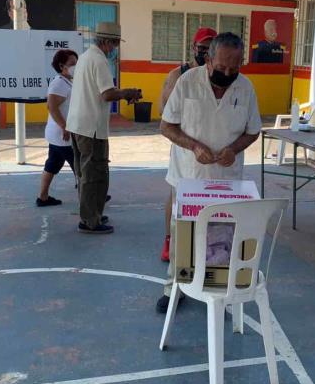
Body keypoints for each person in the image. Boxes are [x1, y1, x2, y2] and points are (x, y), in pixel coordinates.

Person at [157, 32, 262, 312]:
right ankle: (174, 289)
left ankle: (218, 292)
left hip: (227, 180)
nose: (228, 74)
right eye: (222, 67)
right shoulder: (187, 83)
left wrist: (234, 148)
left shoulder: (245, 88)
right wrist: (193, 146)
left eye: (235, 68)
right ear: (208, 59)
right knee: (184, 235)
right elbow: (166, 126)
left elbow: (253, 131)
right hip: (189, 177)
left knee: (223, 238)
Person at [66, 22, 143, 234]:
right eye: (115, 44)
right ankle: (91, 220)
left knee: (84, 173)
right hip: (91, 128)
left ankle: (92, 213)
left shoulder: (85, 57)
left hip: (78, 124)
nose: (115, 49)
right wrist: (128, 92)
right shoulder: (99, 61)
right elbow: (107, 94)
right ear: (107, 42)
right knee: (95, 174)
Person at [158, 26, 217, 262]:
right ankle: (170, 239)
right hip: (184, 147)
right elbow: (165, 113)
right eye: (202, 47)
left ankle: (206, 244)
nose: (205, 53)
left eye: (210, 48)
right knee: (177, 194)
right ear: (194, 48)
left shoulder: (220, 76)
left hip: (211, 152)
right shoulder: (178, 75)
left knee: (209, 198)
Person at [36, 49, 78, 207]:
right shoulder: (59, 83)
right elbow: (51, 106)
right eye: (72, 64)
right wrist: (65, 126)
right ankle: (90, 202)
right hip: (63, 134)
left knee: (53, 163)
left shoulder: (66, 82)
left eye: (76, 63)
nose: (75, 66)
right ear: (61, 66)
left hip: (59, 134)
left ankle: (43, 197)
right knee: (81, 169)